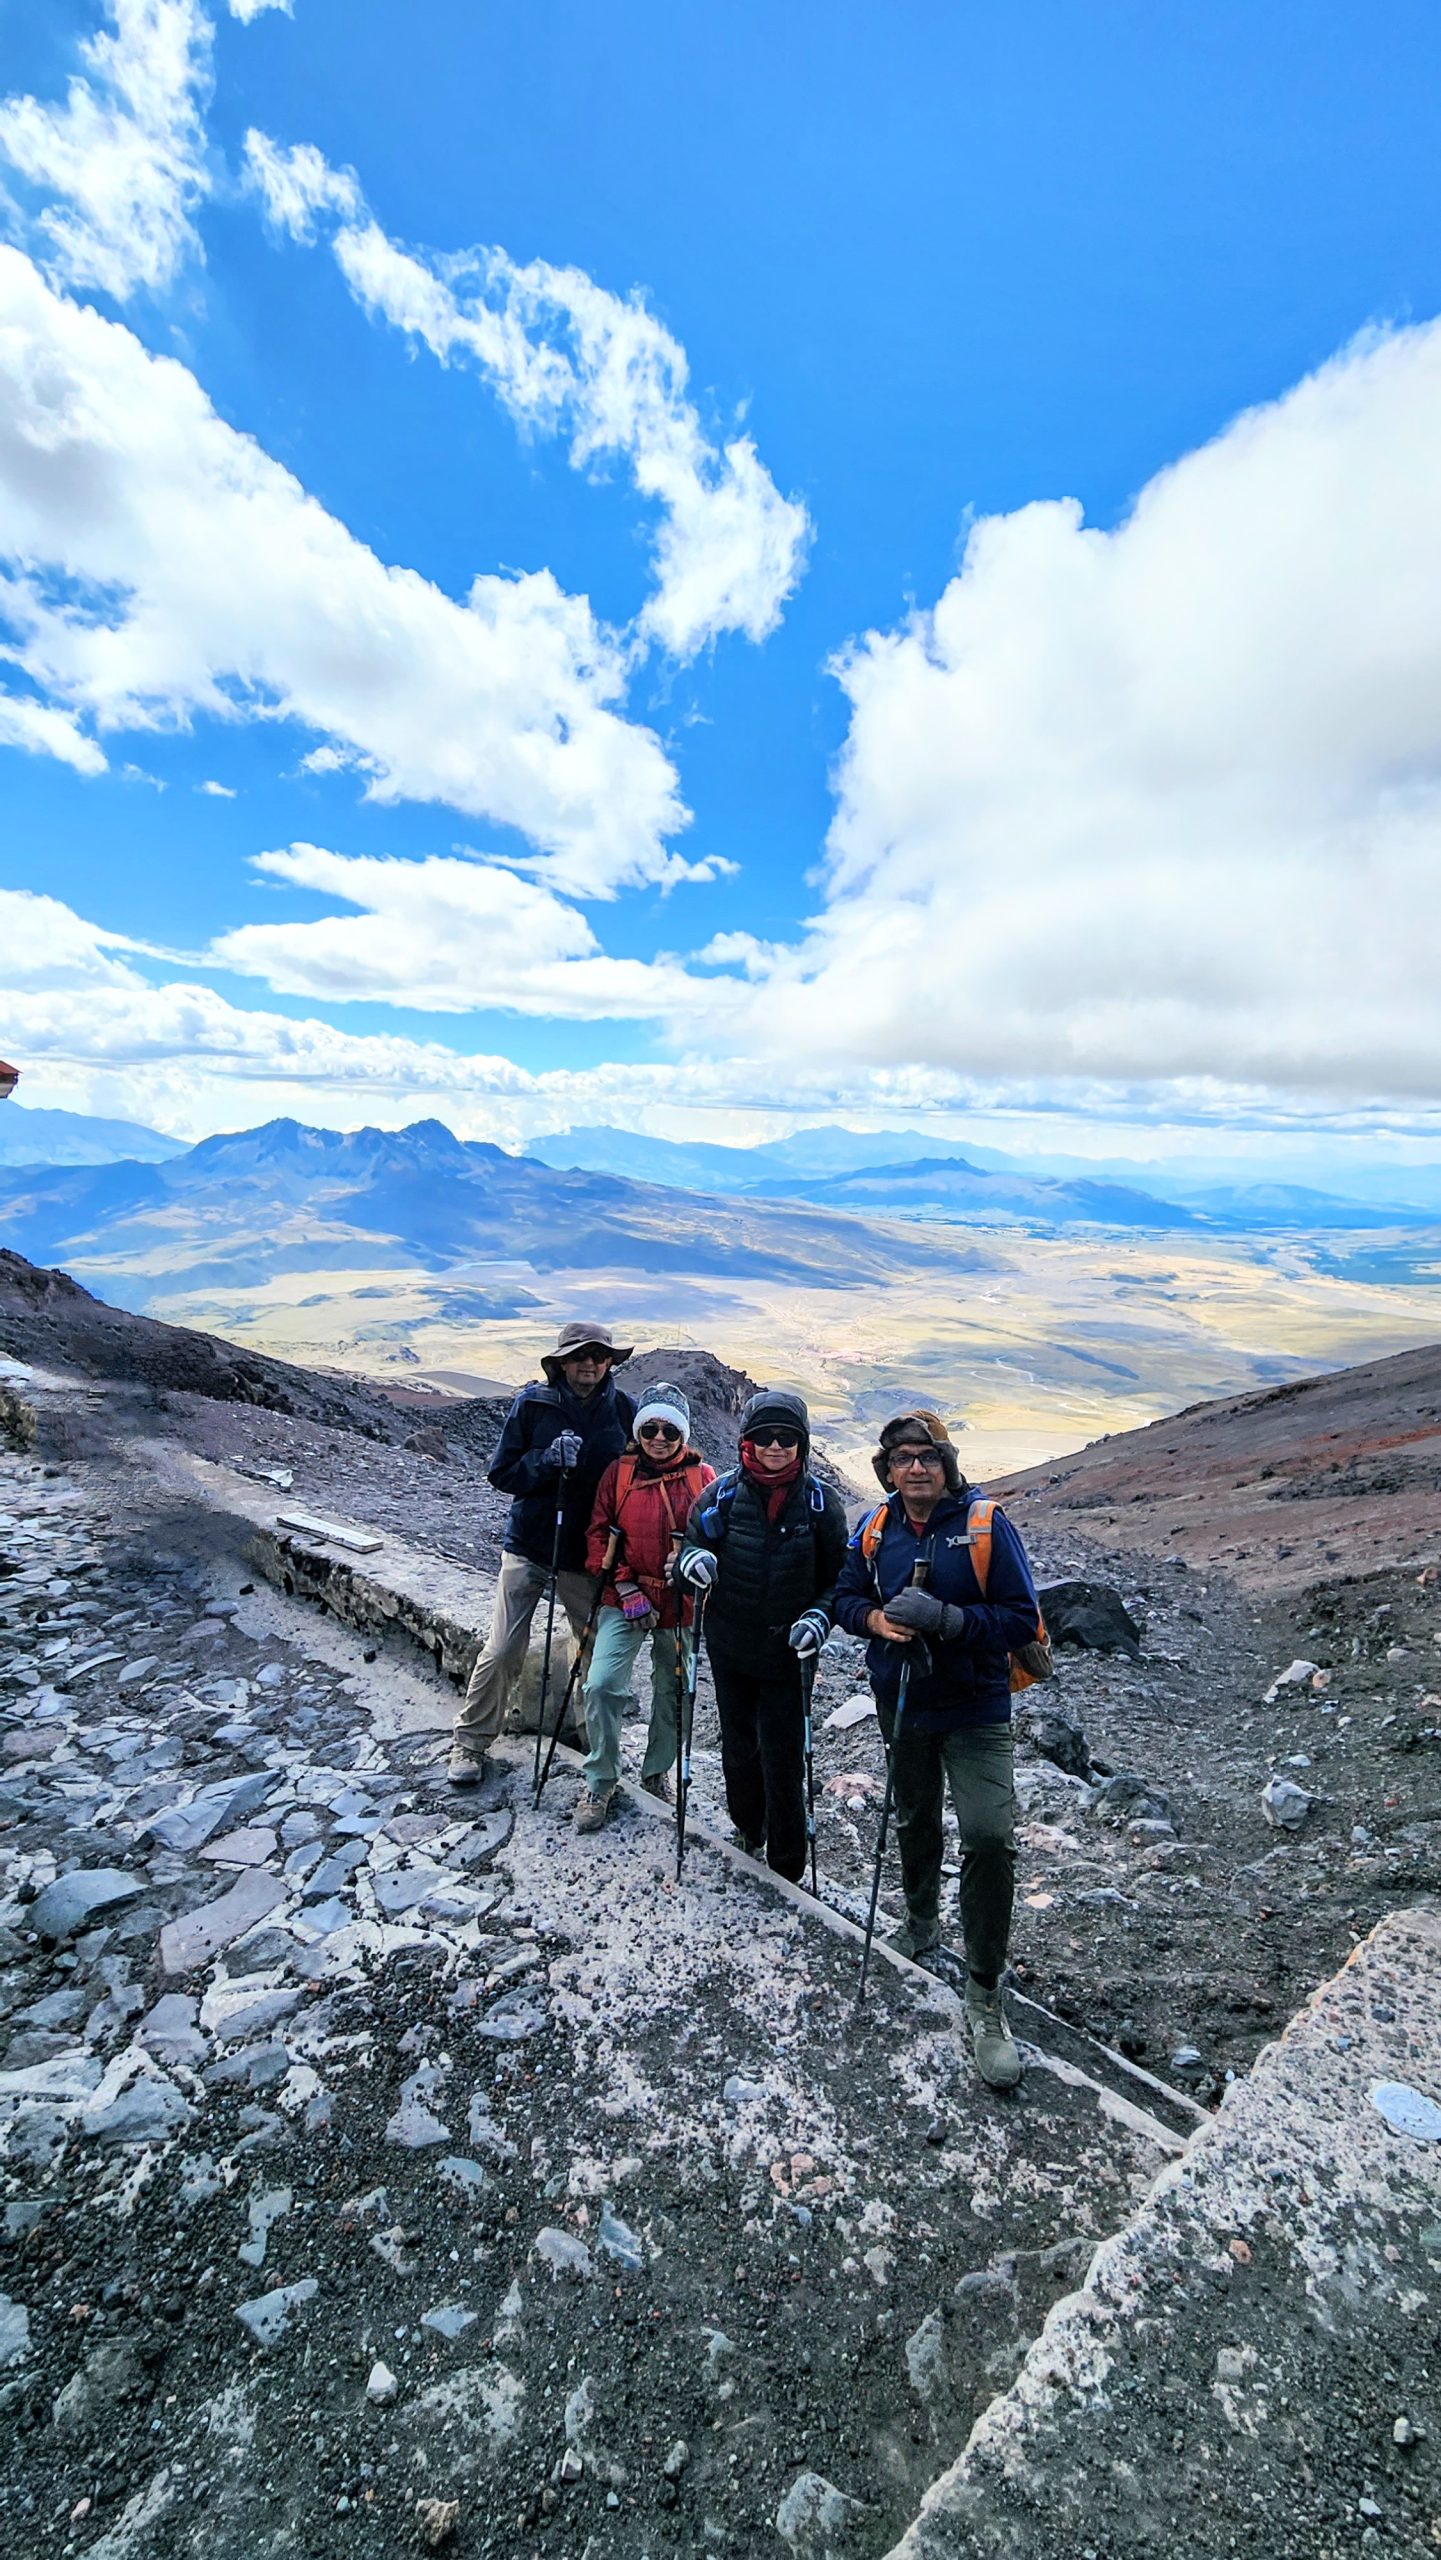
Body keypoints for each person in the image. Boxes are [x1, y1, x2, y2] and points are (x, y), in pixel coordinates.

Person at [830, 1409, 1042, 2091]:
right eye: (901, 1457)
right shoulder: (873, 1528)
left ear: (945, 1463)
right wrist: (872, 1620)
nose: (914, 1467)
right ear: (886, 1468)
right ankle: (919, 1924)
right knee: (913, 1817)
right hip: (902, 1701)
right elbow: (841, 1596)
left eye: (926, 1455)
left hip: (975, 1706)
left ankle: (984, 1991)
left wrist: (949, 1622)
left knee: (987, 1835)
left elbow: (1019, 1618)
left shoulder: (984, 1525)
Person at [448, 1322, 635, 1785]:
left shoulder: (626, 1411)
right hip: (531, 1543)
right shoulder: (532, 1405)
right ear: (561, 1363)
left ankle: (592, 1742)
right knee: (505, 1646)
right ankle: (469, 1743)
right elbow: (502, 1473)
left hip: (587, 1554)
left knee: (590, 1650)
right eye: (579, 1356)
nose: (588, 1363)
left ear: (609, 1361)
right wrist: (545, 1460)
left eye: (597, 1355)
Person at [677, 1389, 848, 1883]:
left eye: (787, 1438)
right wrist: (694, 1563)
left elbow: (839, 1580)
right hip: (730, 1647)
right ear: (746, 1442)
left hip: (788, 1655)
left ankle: (788, 1866)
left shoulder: (820, 1503)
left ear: (802, 1444)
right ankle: (748, 1830)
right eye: (764, 1437)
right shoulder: (722, 1496)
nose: (775, 1447)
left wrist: (819, 1617)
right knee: (738, 1747)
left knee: (783, 1755)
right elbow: (691, 1550)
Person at [572, 1384, 715, 1833]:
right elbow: (598, 1535)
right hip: (625, 1596)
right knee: (601, 1685)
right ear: (639, 1430)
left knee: (673, 1691)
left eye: (670, 1430)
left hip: (679, 1600)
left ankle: (656, 1772)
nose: (659, 1437)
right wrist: (623, 1585)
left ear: (683, 1435)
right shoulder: (619, 1474)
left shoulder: (702, 1478)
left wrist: (693, 1564)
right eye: (650, 1428)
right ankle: (601, 1778)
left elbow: (717, 1540)